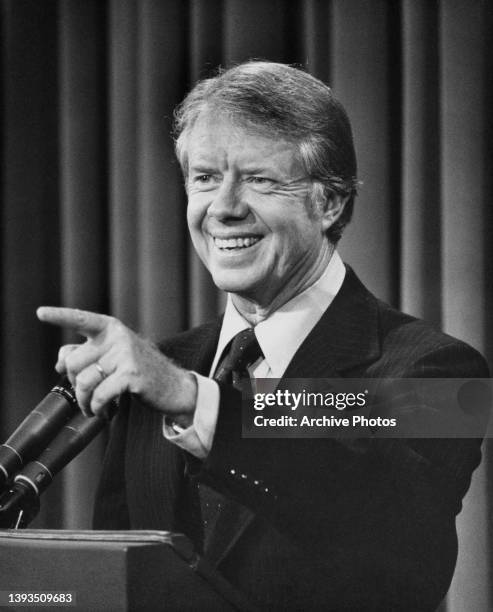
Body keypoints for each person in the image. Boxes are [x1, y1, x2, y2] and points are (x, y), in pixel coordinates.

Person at [37, 62, 489, 611]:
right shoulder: (163, 368)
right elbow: (116, 580)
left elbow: (386, 529)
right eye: (204, 177)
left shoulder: (439, 370)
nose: (223, 208)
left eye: (258, 179)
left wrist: (195, 401)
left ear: (329, 203)